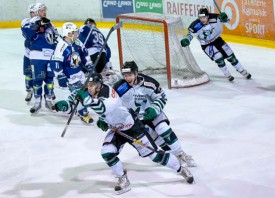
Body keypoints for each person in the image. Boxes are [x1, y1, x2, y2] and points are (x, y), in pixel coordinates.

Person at [54, 73, 194, 194]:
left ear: (99, 85)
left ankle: (181, 169)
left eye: (91, 85)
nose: (88, 88)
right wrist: (65, 104)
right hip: (116, 128)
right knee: (107, 153)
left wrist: (89, 103)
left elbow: (101, 107)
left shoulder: (110, 94)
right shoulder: (88, 92)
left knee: (155, 155)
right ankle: (122, 178)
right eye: (87, 85)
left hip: (132, 126)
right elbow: (73, 101)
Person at [113, 61, 196, 167]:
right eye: (125, 75)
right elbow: (112, 103)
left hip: (152, 113)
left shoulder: (149, 83)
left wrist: (154, 109)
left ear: (136, 73)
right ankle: (173, 155)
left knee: (163, 129)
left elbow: (161, 97)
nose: (127, 78)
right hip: (137, 120)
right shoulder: (119, 88)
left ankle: (180, 154)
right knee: (156, 139)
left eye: (130, 75)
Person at [181, 8, 252, 81]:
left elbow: (227, 21)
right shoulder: (195, 25)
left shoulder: (215, 17)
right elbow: (190, 35)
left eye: (204, 17)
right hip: (206, 44)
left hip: (217, 40)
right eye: (200, 17)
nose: (202, 19)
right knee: (218, 58)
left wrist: (225, 18)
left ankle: (242, 71)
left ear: (208, 16)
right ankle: (227, 74)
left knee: (231, 56)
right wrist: (187, 39)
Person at [50, 22, 93, 123]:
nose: (77, 34)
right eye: (75, 32)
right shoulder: (61, 46)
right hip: (70, 77)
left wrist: (89, 65)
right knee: (80, 95)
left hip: (80, 74)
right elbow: (56, 63)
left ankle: (76, 106)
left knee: (89, 91)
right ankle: (82, 112)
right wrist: (60, 76)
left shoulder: (77, 42)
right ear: (69, 34)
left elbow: (85, 54)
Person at [24, 2, 58, 113]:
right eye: (41, 10)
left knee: (50, 79)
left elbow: (56, 36)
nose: (44, 12)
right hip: (37, 55)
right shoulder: (31, 21)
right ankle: (37, 101)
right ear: (37, 11)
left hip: (50, 55)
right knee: (37, 79)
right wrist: (37, 25)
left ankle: (48, 100)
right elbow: (28, 35)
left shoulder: (50, 23)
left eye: (44, 10)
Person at [21, 3, 36, 102]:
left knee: (41, 75)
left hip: (40, 56)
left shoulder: (46, 22)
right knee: (28, 74)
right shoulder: (25, 22)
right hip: (28, 55)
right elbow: (27, 34)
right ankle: (29, 90)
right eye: (32, 13)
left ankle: (48, 92)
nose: (34, 14)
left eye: (35, 12)